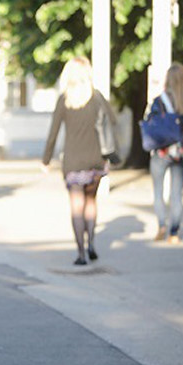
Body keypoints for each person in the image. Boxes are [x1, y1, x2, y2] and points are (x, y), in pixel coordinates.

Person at [42, 56, 116, 265]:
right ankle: (91, 242)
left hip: (73, 162)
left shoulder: (64, 100)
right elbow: (112, 121)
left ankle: (81, 253)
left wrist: (46, 160)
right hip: (96, 160)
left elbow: (53, 133)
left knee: (77, 207)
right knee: (91, 202)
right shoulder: (97, 97)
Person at [146, 63, 183, 243]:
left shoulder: (159, 101)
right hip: (181, 153)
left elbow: (150, 123)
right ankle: (174, 233)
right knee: (176, 194)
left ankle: (162, 225)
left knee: (159, 192)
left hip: (161, 152)